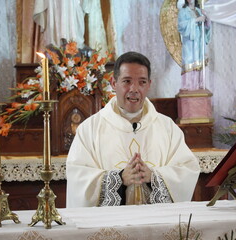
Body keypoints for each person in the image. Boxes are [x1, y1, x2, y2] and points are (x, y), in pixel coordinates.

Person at [66, 51, 200, 207]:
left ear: (149, 84)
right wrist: (119, 178)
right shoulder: (89, 129)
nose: (134, 89)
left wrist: (154, 177)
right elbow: (78, 177)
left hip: (157, 224)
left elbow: (187, 169)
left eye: (142, 82)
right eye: (127, 81)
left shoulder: (167, 127)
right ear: (113, 83)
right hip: (110, 227)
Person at [177, 0, 211, 90]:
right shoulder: (183, 11)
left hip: (199, 41)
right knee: (189, 61)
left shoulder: (199, 11)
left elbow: (206, 28)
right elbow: (181, 26)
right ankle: (188, 86)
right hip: (189, 42)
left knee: (200, 62)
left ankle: (200, 84)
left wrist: (206, 17)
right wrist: (196, 20)